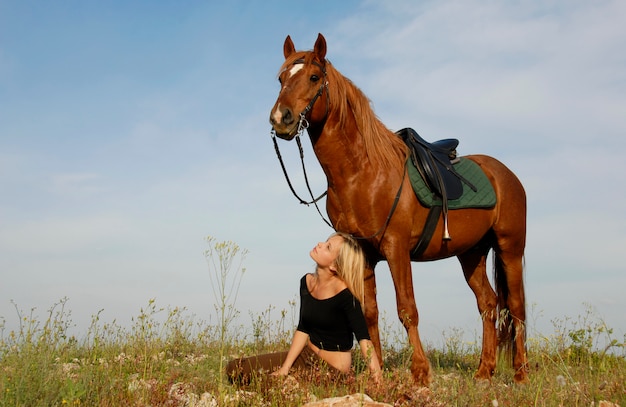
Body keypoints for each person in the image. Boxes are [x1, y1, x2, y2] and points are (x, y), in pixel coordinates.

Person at [225, 232, 382, 384]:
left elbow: (364, 340)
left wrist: (378, 379)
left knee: (268, 383)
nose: (320, 245)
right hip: (306, 356)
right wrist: (285, 368)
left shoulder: (346, 296)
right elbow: (303, 328)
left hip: (331, 371)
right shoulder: (306, 283)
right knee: (235, 368)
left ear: (334, 265)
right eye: (325, 242)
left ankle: (281, 389)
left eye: (328, 247)